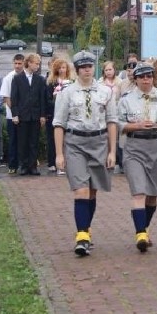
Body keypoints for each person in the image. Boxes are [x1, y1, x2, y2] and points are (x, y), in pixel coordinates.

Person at [53, 51, 117, 256]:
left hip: (98, 142)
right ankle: (81, 236)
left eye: (90, 66)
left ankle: (86, 230)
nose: (87, 70)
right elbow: (59, 124)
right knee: (80, 190)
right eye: (82, 67)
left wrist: (112, 151)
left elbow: (112, 122)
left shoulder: (106, 92)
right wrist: (59, 154)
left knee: (93, 190)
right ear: (77, 69)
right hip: (75, 143)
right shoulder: (67, 92)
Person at [118, 62, 157, 252]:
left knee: (152, 195)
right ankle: (141, 234)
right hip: (135, 146)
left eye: (149, 76)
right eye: (142, 77)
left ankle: (145, 227)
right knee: (138, 191)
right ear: (135, 79)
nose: (146, 79)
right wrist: (135, 126)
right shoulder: (126, 99)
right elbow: (117, 123)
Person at [10, 53, 46, 176]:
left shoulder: (40, 79)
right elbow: (14, 98)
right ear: (29, 63)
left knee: (34, 141)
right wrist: (15, 114)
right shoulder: (17, 78)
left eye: (39, 63)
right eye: (36, 63)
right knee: (23, 141)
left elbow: (42, 98)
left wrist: (42, 115)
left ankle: (33, 166)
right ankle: (24, 165)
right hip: (22, 115)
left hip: (35, 115)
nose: (38, 66)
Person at [46, 58, 76, 175]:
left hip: (69, 115)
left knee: (67, 139)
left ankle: (67, 163)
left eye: (64, 67)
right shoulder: (51, 82)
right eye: (59, 68)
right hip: (54, 113)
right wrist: (57, 102)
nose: (62, 70)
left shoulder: (72, 81)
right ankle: (53, 163)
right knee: (53, 139)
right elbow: (47, 98)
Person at [0, 54, 25, 174]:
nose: (17, 66)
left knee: (24, 140)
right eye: (15, 63)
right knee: (13, 140)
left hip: (25, 115)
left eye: (20, 63)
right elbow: (6, 98)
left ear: (24, 63)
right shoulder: (9, 77)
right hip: (12, 116)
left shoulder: (27, 76)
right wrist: (15, 113)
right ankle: (12, 165)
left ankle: (23, 163)